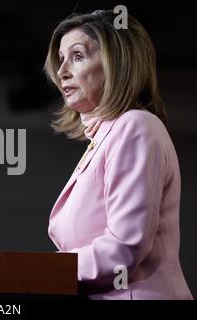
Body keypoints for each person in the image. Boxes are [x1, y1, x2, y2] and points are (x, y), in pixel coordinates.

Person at [44, 10, 193, 300]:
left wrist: (48, 269)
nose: (61, 71)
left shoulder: (136, 126)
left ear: (117, 64)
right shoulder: (103, 139)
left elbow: (123, 247)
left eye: (77, 56)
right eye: (60, 60)